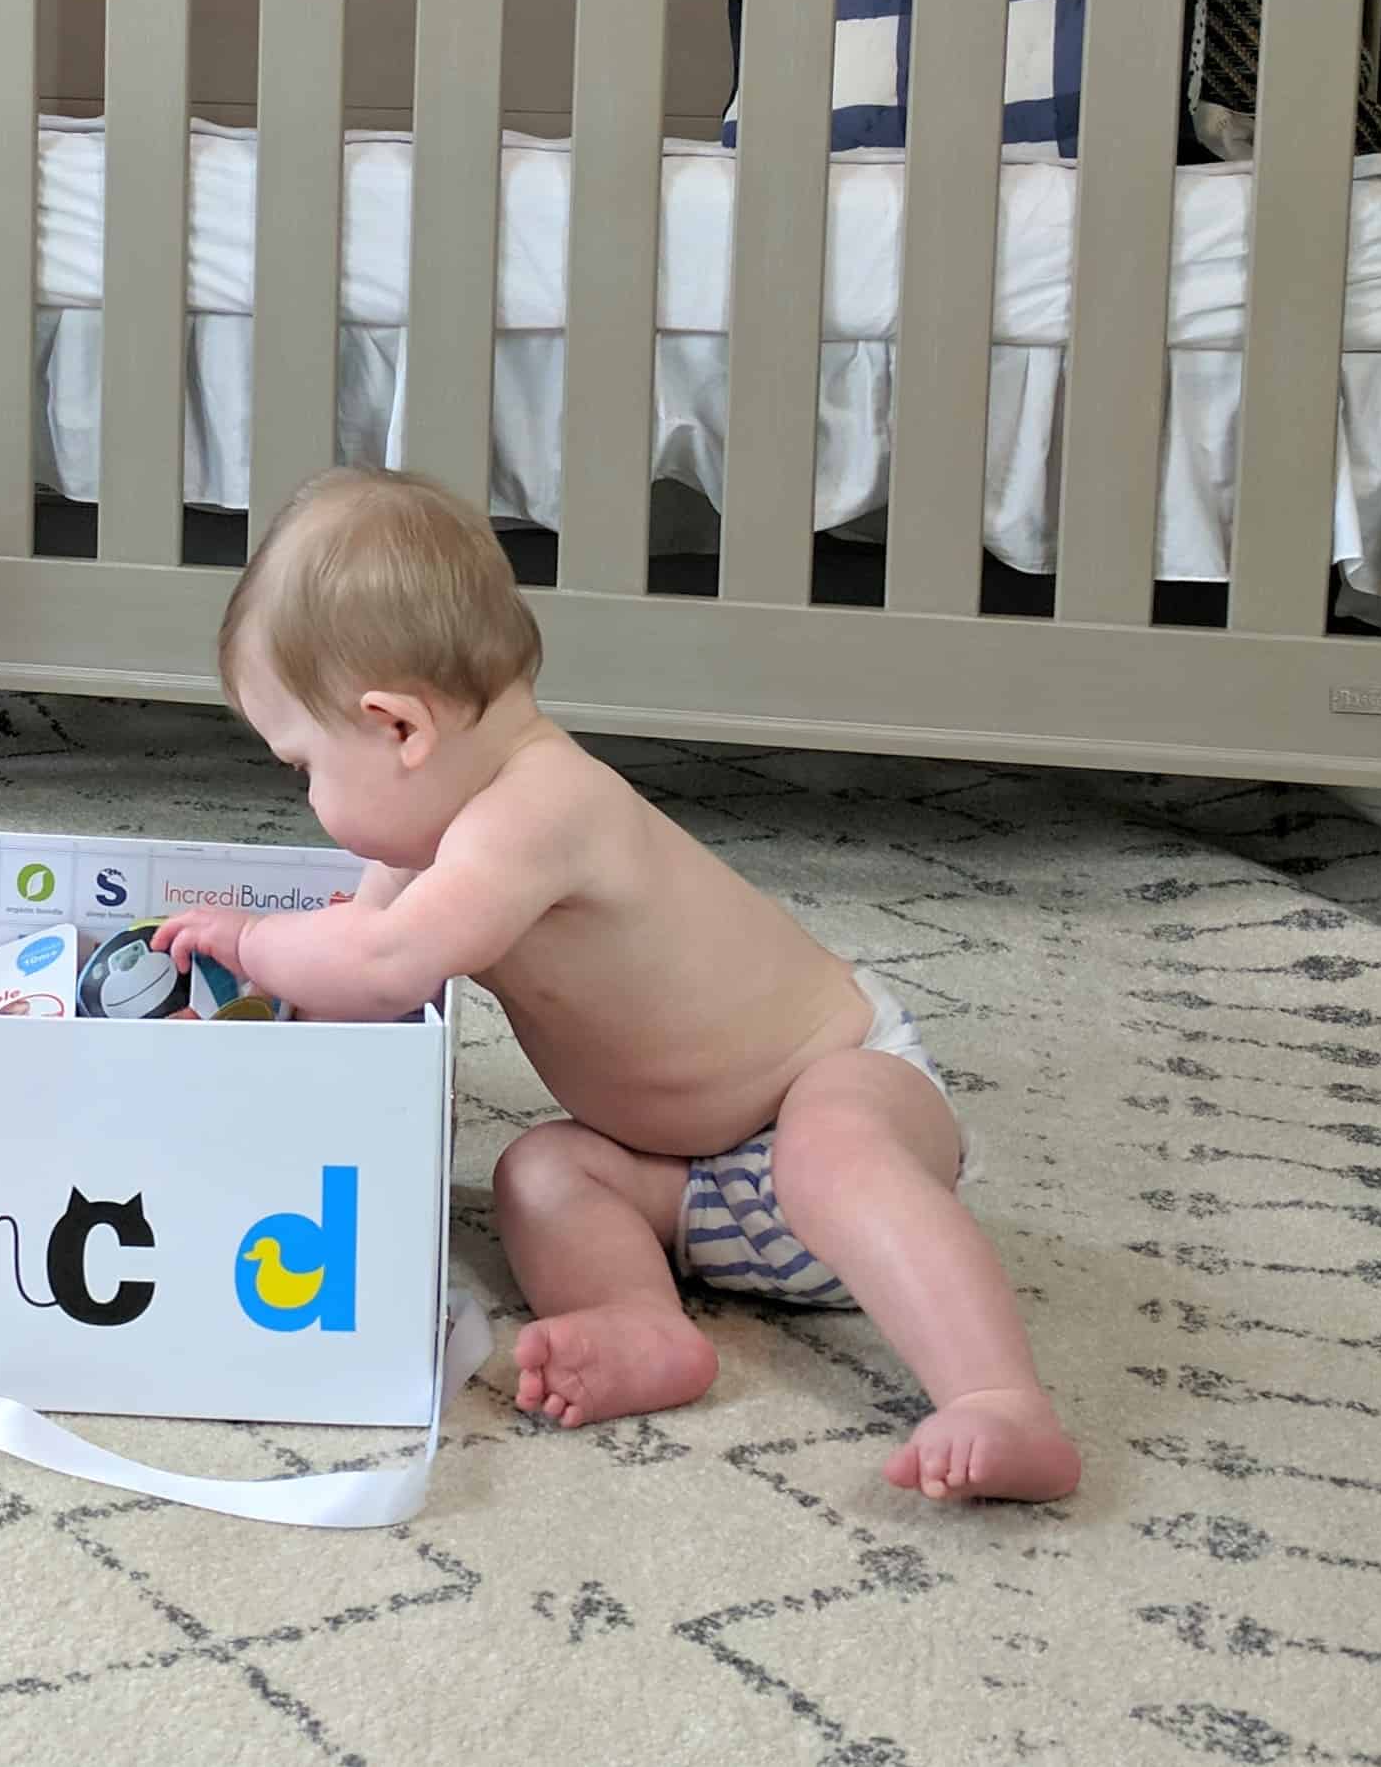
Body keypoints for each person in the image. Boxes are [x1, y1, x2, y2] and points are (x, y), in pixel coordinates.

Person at [155, 466, 1080, 1502]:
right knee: (542, 1173)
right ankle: (642, 1320)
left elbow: (378, 967)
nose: (307, 796)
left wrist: (246, 935)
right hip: (691, 1184)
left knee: (833, 1152)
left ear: (398, 728)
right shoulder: (431, 842)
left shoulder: (538, 810)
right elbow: (356, 962)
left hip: (832, 1080)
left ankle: (998, 1400)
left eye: (302, 767)